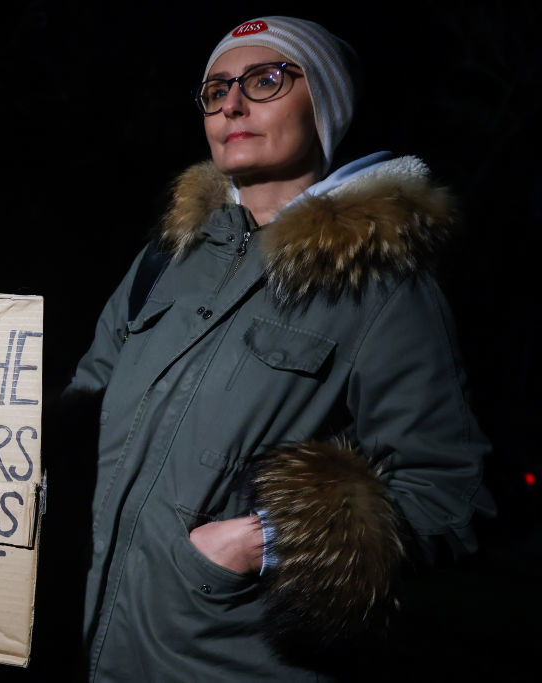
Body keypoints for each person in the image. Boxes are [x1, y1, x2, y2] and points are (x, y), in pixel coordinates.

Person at [64, 16, 493, 681]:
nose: (232, 104)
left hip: (226, 659)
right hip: (86, 636)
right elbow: (83, 407)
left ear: (324, 103)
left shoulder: (381, 285)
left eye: (265, 80)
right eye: (215, 89)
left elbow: (451, 495)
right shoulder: (167, 258)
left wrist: (265, 541)